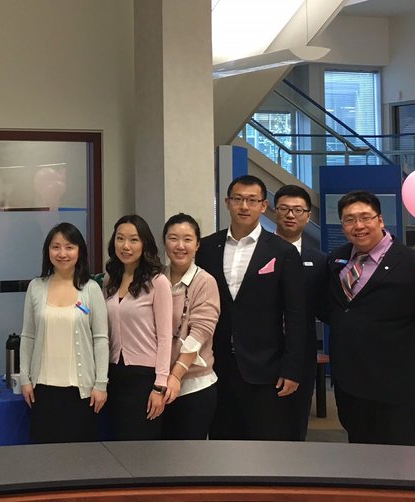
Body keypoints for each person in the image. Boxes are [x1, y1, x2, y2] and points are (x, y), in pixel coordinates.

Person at [321, 191, 415, 446]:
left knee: (402, 460)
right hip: (349, 380)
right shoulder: (337, 259)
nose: (358, 226)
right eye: (349, 220)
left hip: (394, 384)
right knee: (358, 452)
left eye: (365, 217)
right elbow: (331, 309)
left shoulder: (413, 262)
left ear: (380, 220)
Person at [198, 175, 308, 441]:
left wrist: (292, 368)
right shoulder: (208, 247)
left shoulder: (282, 251)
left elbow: (296, 314)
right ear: (227, 202)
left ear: (263, 206)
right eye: (238, 199)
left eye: (251, 200)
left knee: (264, 442)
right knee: (221, 439)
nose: (244, 206)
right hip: (217, 364)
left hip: (265, 366)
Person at [18, 223, 109, 444]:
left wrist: (100, 384)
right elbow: (28, 335)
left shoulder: (90, 289)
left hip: (81, 393)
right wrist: (24, 379)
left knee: (79, 459)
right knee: (45, 458)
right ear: (47, 251)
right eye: (55, 247)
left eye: (69, 247)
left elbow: (100, 338)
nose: (62, 253)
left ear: (80, 251)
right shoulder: (36, 287)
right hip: (43, 390)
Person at [103, 215, 173, 441]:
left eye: (133, 240)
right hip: (114, 373)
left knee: (142, 449)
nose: (125, 246)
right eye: (120, 238)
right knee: (117, 445)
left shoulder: (157, 281)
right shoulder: (110, 279)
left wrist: (160, 386)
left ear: (144, 244)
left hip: (144, 379)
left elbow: (165, 337)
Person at [272, 184, 327, 440]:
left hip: (301, 355)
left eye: (297, 210)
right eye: (284, 209)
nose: (290, 215)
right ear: (274, 212)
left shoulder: (319, 261)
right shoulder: (258, 252)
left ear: (308, 215)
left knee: (295, 423)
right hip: (259, 353)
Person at [160, 213, 221, 440]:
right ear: (164, 242)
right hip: (158, 384)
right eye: (173, 238)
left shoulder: (205, 281)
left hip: (194, 386)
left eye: (187, 239)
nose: (180, 245)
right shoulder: (154, 279)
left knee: (188, 459)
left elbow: (200, 333)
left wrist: (175, 375)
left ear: (197, 245)